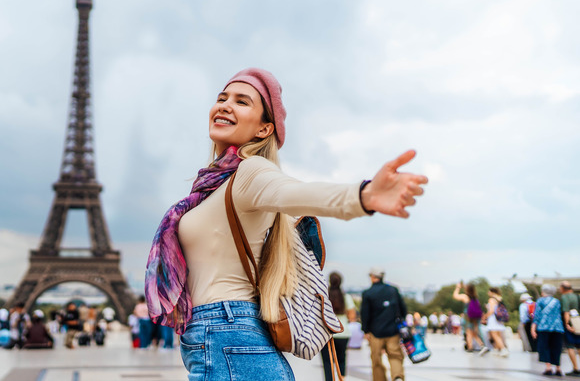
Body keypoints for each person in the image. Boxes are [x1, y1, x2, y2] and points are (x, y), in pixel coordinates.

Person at [144, 67, 428, 381]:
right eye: (222, 98)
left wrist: (363, 195)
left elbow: (295, 193)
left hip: (229, 331)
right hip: (219, 334)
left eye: (241, 101)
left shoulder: (250, 172)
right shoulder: (209, 188)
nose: (224, 105)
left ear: (265, 129)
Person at [361, 267, 407, 381]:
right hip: (392, 330)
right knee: (395, 355)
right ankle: (397, 376)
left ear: (372, 276)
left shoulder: (368, 293)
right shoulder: (393, 290)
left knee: (376, 359)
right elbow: (403, 309)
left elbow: (365, 314)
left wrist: (366, 330)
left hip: (375, 331)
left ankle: (379, 379)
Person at [320, 271, 356, 381]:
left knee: (327, 362)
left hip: (326, 334)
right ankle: (342, 378)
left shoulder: (324, 297)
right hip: (342, 332)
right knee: (341, 359)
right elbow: (352, 316)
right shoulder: (346, 297)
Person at [531, 284, 565, 377]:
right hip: (558, 327)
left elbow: (536, 315)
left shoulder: (540, 301)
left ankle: (548, 368)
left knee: (545, 347)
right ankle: (558, 368)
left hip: (544, 327)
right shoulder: (557, 301)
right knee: (556, 347)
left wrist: (533, 328)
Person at [452, 281, 487, 353]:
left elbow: (455, 296)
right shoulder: (475, 298)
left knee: (468, 332)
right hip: (476, 318)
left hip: (468, 317)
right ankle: (481, 345)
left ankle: (470, 347)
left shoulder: (465, 297)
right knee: (473, 332)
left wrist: (458, 287)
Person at [560, 281, 580, 376]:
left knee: (570, 346)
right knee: (579, 346)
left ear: (563, 288)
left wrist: (567, 324)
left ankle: (576, 368)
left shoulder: (565, 297)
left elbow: (566, 311)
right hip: (578, 323)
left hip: (571, 324)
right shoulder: (577, 296)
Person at [482, 287, 509, 357]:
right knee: (498, 335)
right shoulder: (499, 298)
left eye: (489, 292)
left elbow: (491, 310)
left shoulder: (491, 299)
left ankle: (503, 349)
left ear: (492, 292)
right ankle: (497, 349)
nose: (488, 293)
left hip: (493, 318)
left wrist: (485, 316)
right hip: (499, 319)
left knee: (494, 334)